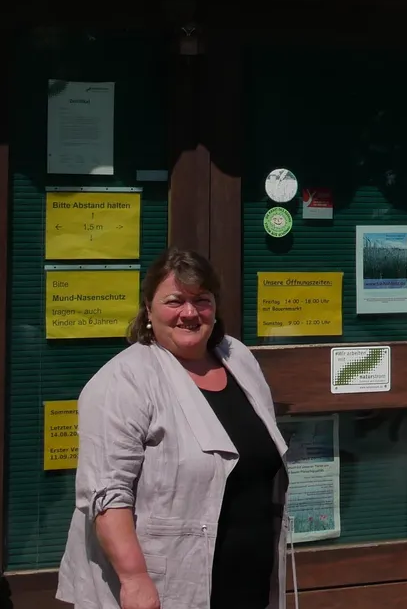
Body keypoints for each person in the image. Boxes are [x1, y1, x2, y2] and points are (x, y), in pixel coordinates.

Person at [56, 247, 293, 609]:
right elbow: (106, 493)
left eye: (202, 300)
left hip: (246, 581)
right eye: (175, 301)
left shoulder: (238, 359)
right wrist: (134, 579)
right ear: (148, 308)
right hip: (165, 587)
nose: (189, 313)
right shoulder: (124, 381)